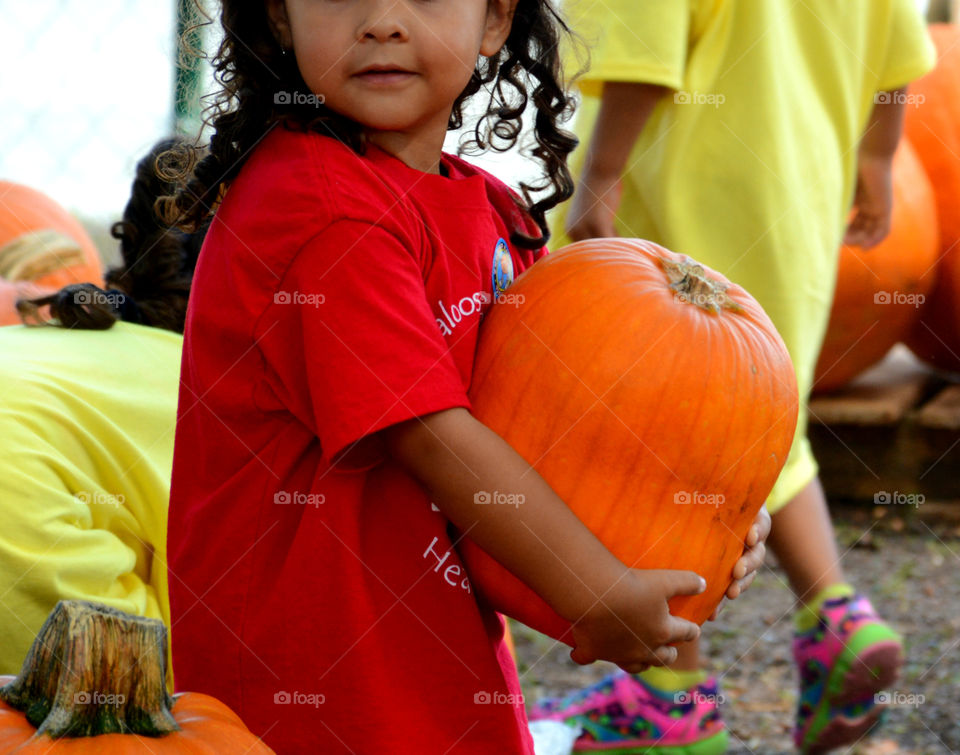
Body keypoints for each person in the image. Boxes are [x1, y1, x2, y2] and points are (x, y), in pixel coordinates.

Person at [157, 1, 770, 753]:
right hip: (314, 687)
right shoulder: (319, 212)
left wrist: (705, 517)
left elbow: (560, 428)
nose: (383, 21)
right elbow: (430, 435)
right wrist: (598, 590)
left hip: (437, 655)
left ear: (493, 20)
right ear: (282, 18)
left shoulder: (486, 208)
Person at [529, 2, 935, 753]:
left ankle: (670, 696)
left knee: (655, 448)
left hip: (687, 212)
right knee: (768, 429)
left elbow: (647, 46)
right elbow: (897, 58)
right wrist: (878, 162)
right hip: (800, 215)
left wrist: (602, 173)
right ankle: (837, 616)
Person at [0, 139, 204, 691]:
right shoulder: (220, 391)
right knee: (163, 696)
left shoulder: (57, 340)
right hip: (18, 517)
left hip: (23, 480)